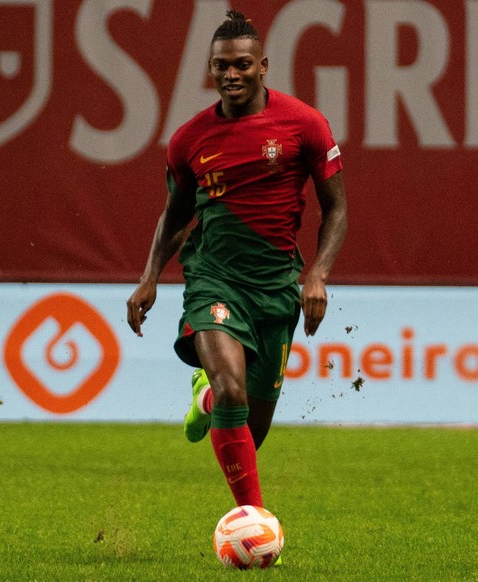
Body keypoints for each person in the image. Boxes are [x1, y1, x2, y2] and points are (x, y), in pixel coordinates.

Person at [126, 10, 347, 510]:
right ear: (210, 69)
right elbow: (175, 216)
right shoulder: (188, 140)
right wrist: (148, 279)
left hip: (275, 287)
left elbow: (337, 208)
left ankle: (205, 396)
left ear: (263, 65)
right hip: (214, 280)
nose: (231, 75)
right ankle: (252, 520)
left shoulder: (304, 125)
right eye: (221, 66)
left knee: (249, 430)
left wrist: (317, 274)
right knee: (232, 393)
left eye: (242, 65)